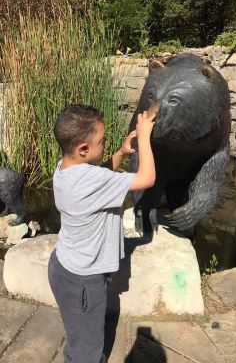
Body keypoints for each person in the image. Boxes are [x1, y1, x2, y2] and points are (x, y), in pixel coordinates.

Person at [48, 103, 156, 363]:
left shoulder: (65, 168)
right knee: (86, 350)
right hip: (84, 281)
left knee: (80, 336)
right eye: (102, 140)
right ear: (83, 149)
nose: (106, 141)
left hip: (65, 268)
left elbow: (100, 172)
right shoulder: (88, 180)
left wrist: (120, 151)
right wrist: (144, 137)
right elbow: (147, 178)